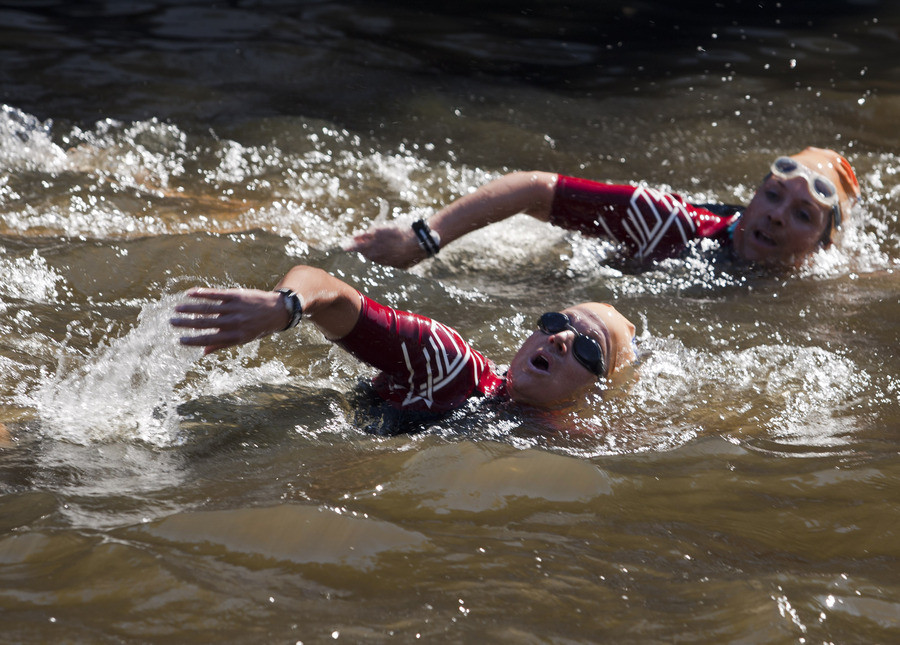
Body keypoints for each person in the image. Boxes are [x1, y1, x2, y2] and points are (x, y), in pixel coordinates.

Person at [170, 265, 637, 415]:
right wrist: (285, 306)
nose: (560, 339)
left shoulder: (575, 443)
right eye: (554, 323)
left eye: (587, 348)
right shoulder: (450, 365)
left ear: (594, 393)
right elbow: (332, 293)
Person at [345, 147, 861, 270]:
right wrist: (425, 236)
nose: (776, 215)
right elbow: (534, 189)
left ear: (824, 245)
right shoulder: (673, 224)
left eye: (802, 215)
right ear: (753, 197)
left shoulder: (831, 284)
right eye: (772, 195)